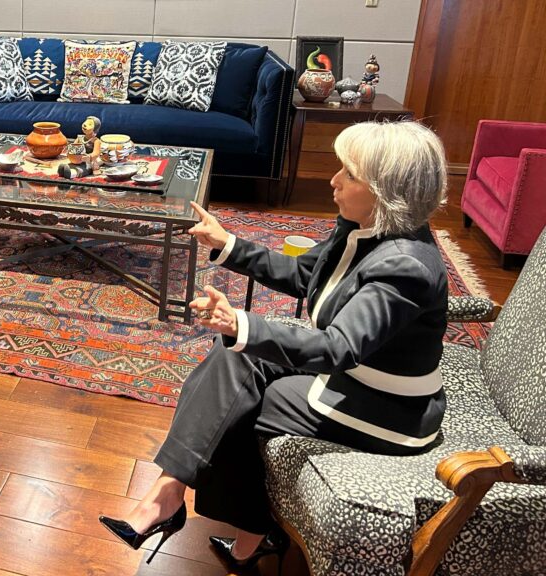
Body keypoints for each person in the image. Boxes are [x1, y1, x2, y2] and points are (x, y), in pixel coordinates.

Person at [99, 120, 450, 567]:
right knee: (233, 357)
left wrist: (241, 322)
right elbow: (305, 275)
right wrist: (228, 244)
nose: (333, 180)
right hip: (351, 374)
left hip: (385, 408)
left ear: (387, 192)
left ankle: (247, 531)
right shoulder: (361, 228)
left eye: (349, 174)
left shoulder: (406, 266)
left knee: (243, 405)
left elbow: (338, 347)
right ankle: (168, 493)